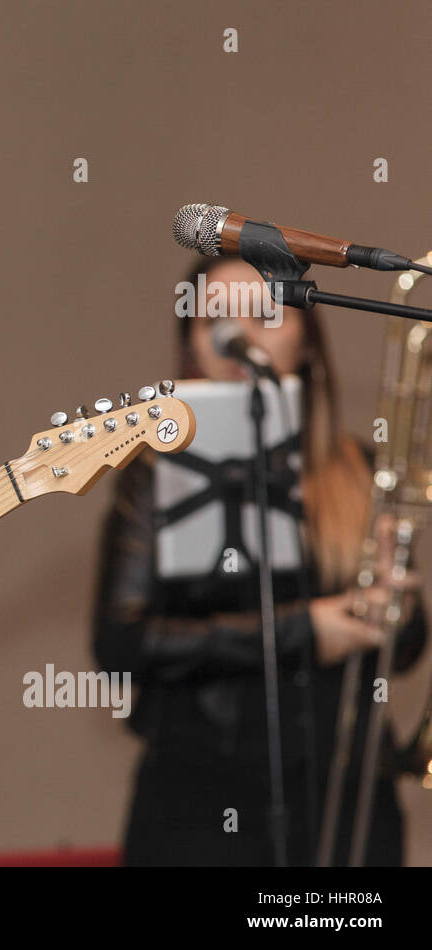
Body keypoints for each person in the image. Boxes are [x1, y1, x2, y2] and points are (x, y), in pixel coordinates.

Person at [92, 256, 428, 865]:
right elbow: (121, 642)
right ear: (192, 345)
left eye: (264, 314)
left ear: (308, 339)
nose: (239, 332)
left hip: (344, 798)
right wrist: (309, 630)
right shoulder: (154, 473)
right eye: (214, 318)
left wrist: (393, 605)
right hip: (199, 803)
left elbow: (405, 651)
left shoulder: (358, 471)